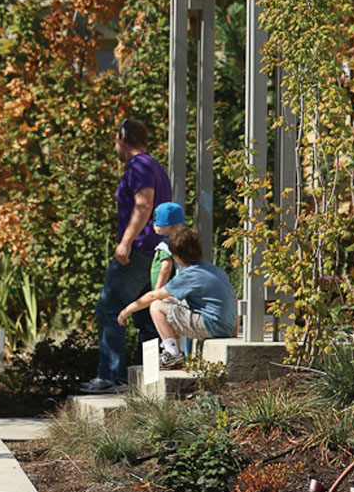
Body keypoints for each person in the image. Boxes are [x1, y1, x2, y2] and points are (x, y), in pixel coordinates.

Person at [80, 118, 171, 394]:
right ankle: (152, 378)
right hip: (155, 252)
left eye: (115, 140)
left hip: (139, 250)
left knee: (109, 307)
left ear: (122, 138)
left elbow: (143, 204)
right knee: (146, 317)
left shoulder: (139, 165)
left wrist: (126, 242)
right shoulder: (155, 165)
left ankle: (111, 376)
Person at [117, 227, 238, 368]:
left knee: (157, 306)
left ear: (176, 257)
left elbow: (153, 296)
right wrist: (233, 333)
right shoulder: (216, 271)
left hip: (210, 326)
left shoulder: (190, 275)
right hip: (225, 327)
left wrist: (127, 310)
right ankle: (174, 349)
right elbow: (233, 300)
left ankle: (173, 353)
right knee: (170, 302)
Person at [151, 201, 185, 290]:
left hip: (168, 290)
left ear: (169, 226)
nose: (154, 224)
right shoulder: (184, 242)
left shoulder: (165, 246)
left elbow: (166, 268)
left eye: (156, 221)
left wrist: (157, 291)